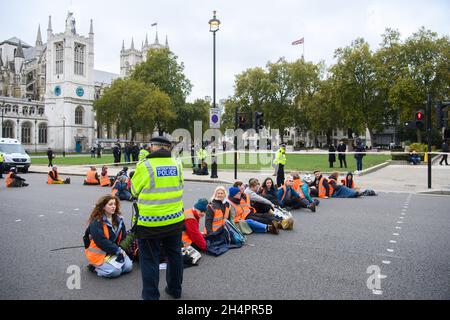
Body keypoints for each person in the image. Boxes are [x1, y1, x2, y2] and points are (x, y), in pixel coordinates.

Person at [131, 136, 184, 300]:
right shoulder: (177, 164)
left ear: (153, 147)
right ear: (168, 148)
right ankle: (175, 289)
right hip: (174, 218)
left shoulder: (144, 165)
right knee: (174, 255)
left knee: (149, 260)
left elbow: (133, 190)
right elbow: (180, 185)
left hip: (150, 222)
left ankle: (151, 296)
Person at [84, 195, 133, 278]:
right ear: (103, 207)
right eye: (110, 204)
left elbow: (124, 237)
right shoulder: (96, 222)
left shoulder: (119, 220)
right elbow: (101, 241)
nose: (113, 206)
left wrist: (122, 250)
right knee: (115, 272)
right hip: (99, 255)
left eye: (114, 204)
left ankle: (108, 265)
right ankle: (94, 268)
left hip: (114, 252)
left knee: (128, 267)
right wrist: (118, 250)